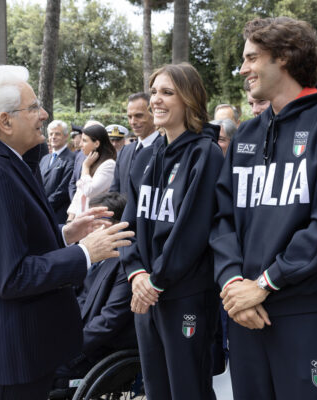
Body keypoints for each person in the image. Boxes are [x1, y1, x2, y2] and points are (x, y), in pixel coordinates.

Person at [0, 65, 134, 399]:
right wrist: (87, 252)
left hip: (13, 347)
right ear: (4, 121)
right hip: (11, 352)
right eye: (33, 108)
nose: (44, 114)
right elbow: (10, 276)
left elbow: (13, 239)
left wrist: (65, 235)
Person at [210, 17, 317, 399]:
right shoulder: (248, 133)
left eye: (252, 58)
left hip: (304, 312)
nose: (244, 68)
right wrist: (234, 284)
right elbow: (222, 220)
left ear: (283, 57)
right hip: (245, 315)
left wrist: (265, 284)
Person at [120, 63, 223, 399]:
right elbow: (128, 225)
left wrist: (155, 280)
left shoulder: (205, 154)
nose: (156, 101)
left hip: (184, 294)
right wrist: (136, 273)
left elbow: (191, 231)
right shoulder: (144, 158)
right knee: (156, 390)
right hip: (145, 294)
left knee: (188, 389)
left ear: (189, 99)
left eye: (167, 92)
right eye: (154, 92)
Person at [53, 192, 137, 388]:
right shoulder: (90, 253)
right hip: (74, 333)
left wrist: (69, 349)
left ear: (115, 225)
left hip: (94, 350)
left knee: (39, 373)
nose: (88, 228)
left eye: (96, 222)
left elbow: (109, 321)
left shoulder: (126, 262)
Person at [110, 92, 161, 197]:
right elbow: (114, 192)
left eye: (138, 115)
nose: (132, 121)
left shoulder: (166, 149)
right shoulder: (124, 152)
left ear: (153, 113)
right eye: (129, 117)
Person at [67, 124, 116, 220]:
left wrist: (85, 167)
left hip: (96, 221)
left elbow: (89, 191)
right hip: (80, 219)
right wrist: (70, 219)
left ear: (96, 144)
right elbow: (79, 194)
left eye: (84, 141)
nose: (80, 144)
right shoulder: (90, 162)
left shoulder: (109, 165)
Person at [39, 120, 75, 224]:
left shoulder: (71, 159)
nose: (53, 137)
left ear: (66, 136)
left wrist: (45, 206)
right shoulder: (45, 158)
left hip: (58, 215)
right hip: (42, 212)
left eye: (57, 134)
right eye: (51, 134)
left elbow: (63, 190)